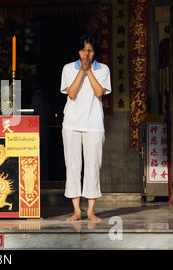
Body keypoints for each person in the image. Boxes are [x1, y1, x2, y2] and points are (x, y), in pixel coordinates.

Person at [60, 34, 111, 222]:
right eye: (83, 50)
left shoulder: (103, 69)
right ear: (78, 51)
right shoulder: (68, 68)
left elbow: (99, 92)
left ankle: (90, 210)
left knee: (93, 167)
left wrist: (89, 70)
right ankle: (76, 210)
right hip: (72, 124)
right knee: (73, 166)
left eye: (89, 50)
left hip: (94, 124)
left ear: (94, 51)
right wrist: (81, 71)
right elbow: (71, 93)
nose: (86, 54)